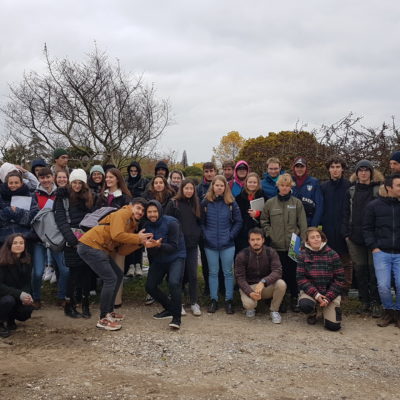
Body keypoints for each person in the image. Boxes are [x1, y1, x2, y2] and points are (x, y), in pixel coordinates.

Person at [78, 198, 151, 330]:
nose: (141, 212)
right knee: (110, 279)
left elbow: (122, 250)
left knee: (117, 275)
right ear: (130, 206)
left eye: (143, 211)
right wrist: (137, 238)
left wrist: (140, 243)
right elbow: (117, 235)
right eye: (138, 208)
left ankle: (109, 311)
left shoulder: (131, 224)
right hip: (90, 246)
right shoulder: (123, 213)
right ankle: (103, 319)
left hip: (100, 248)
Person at [342, 159, 383, 317]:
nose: (364, 173)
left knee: (374, 272)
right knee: (360, 271)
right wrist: (346, 234)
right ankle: (364, 301)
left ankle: (376, 303)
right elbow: (345, 214)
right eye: (361, 170)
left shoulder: (379, 190)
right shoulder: (351, 191)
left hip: (374, 238)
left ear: (371, 173)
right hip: (355, 237)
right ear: (357, 173)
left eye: (366, 170)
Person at [261, 173, 307, 312]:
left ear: (291, 186)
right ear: (278, 186)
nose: (285, 188)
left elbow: (303, 223)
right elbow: (264, 220)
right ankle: (280, 301)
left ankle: (294, 298)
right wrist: (270, 233)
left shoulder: (297, 203)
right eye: (282, 185)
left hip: (293, 245)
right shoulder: (270, 203)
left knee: (293, 273)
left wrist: (302, 240)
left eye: (287, 186)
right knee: (278, 274)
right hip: (276, 245)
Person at [54, 169, 94, 319]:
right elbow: (61, 220)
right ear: (70, 182)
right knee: (73, 274)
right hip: (71, 241)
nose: (77, 185)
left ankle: (85, 304)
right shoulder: (62, 197)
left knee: (86, 272)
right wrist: (72, 240)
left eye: (80, 182)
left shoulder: (89, 197)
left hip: (87, 239)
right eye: (74, 182)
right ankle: (69, 306)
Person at [201, 175, 242, 314]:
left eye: (222, 185)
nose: (219, 187)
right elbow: (201, 222)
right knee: (213, 272)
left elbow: (238, 221)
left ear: (225, 187)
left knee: (228, 272)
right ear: (212, 186)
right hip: (210, 244)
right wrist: (206, 235)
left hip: (227, 244)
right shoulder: (205, 202)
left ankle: (229, 300)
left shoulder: (231, 203)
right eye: (216, 185)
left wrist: (230, 236)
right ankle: (214, 300)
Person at [363, 174, 400, 328]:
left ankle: (398, 312)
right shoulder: (374, 206)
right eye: (399, 185)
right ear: (389, 187)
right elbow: (367, 228)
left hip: (399, 253)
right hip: (381, 253)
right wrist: (374, 247)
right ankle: (388, 311)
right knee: (383, 286)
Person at [144, 200, 186, 329]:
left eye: (155, 211)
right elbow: (148, 246)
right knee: (150, 286)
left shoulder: (172, 223)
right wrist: (150, 245)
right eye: (149, 212)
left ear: (160, 211)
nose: (152, 214)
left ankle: (177, 318)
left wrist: (158, 245)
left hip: (176, 256)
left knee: (174, 283)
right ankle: (170, 308)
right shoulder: (147, 225)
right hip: (159, 258)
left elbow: (174, 246)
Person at [31, 167, 69, 310]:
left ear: (52, 177)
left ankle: (61, 296)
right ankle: (36, 297)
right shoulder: (34, 195)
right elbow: (32, 215)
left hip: (56, 238)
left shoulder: (60, 193)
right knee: (38, 271)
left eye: (48, 177)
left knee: (65, 270)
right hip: (39, 239)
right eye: (42, 178)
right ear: (38, 179)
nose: (45, 180)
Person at [95, 168, 132, 308]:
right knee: (106, 271)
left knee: (117, 270)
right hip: (103, 239)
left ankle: (116, 301)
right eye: (107, 177)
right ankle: (106, 301)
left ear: (118, 179)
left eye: (111, 177)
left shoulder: (125, 197)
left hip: (118, 239)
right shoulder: (101, 196)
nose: (108, 180)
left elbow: (128, 219)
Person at [165, 179, 202, 316]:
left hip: (192, 245)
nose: (189, 191)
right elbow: (167, 222)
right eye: (186, 188)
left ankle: (194, 302)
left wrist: (197, 234)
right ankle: (177, 302)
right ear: (182, 189)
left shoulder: (196, 203)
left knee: (193, 274)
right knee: (178, 275)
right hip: (178, 246)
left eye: (191, 189)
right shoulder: (173, 203)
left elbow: (199, 221)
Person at [235, 227, 286, 323]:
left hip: (265, 286)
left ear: (263, 240)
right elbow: (240, 278)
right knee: (249, 305)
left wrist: (263, 282)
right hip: (250, 287)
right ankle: (251, 307)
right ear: (249, 241)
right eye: (252, 240)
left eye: (258, 239)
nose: (255, 242)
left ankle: (274, 310)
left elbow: (277, 271)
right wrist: (250, 292)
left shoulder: (271, 252)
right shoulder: (242, 255)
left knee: (281, 284)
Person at [297, 227, 345, 331]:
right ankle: (312, 313)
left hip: (330, 293)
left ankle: (327, 311)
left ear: (322, 238)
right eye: (312, 237)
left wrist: (328, 298)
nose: (316, 239)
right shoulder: (302, 255)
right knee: (305, 304)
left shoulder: (333, 254)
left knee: (333, 327)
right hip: (312, 293)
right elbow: (301, 279)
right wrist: (316, 295)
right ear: (307, 241)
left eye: (318, 236)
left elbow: (340, 279)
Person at [320, 157, 352, 297]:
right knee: (329, 260)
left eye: (338, 166)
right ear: (328, 169)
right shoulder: (323, 187)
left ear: (342, 168)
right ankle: (332, 290)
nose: (335, 169)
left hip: (344, 228)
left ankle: (344, 290)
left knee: (345, 261)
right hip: (328, 228)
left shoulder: (349, 186)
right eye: (332, 167)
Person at [0, 234, 34, 338]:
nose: (18, 245)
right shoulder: (1, 261)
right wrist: (20, 294)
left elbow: (27, 282)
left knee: (27, 310)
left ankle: (10, 319)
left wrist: (27, 295)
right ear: (9, 245)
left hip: (16, 295)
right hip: (3, 296)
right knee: (8, 300)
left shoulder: (27, 260)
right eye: (15, 243)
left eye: (21, 243)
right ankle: (1, 323)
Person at [196, 161, 218, 295]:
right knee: (205, 259)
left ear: (215, 171)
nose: (209, 174)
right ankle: (208, 287)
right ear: (204, 173)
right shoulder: (199, 188)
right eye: (207, 171)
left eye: (211, 171)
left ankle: (219, 286)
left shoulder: (221, 185)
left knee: (219, 260)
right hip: (204, 228)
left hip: (219, 228)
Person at [0, 171, 39, 244]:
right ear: (6, 183)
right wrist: (8, 211)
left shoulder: (30, 195)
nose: (13, 185)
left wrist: (17, 212)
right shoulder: (1, 197)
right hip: (4, 239)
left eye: (16, 182)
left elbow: (34, 217)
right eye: (11, 183)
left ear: (21, 183)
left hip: (26, 238)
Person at [235, 172, 265, 253]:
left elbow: (267, 215)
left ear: (258, 183)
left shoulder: (263, 196)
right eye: (250, 182)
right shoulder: (239, 198)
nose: (252, 184)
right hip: (243, 234)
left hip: (259, 233)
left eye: (254, 182)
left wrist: (258, 214)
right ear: (246, 183)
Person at [291, 157, 323, 227]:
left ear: (306, 168)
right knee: (293, 239)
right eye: (297, 166)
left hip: (308, 223)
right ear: (294, 168)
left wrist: (313, 226)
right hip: (292, 226)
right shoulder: (289, 181)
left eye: (302, 167)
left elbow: (319, 206)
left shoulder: (314, 182)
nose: (299, 169)